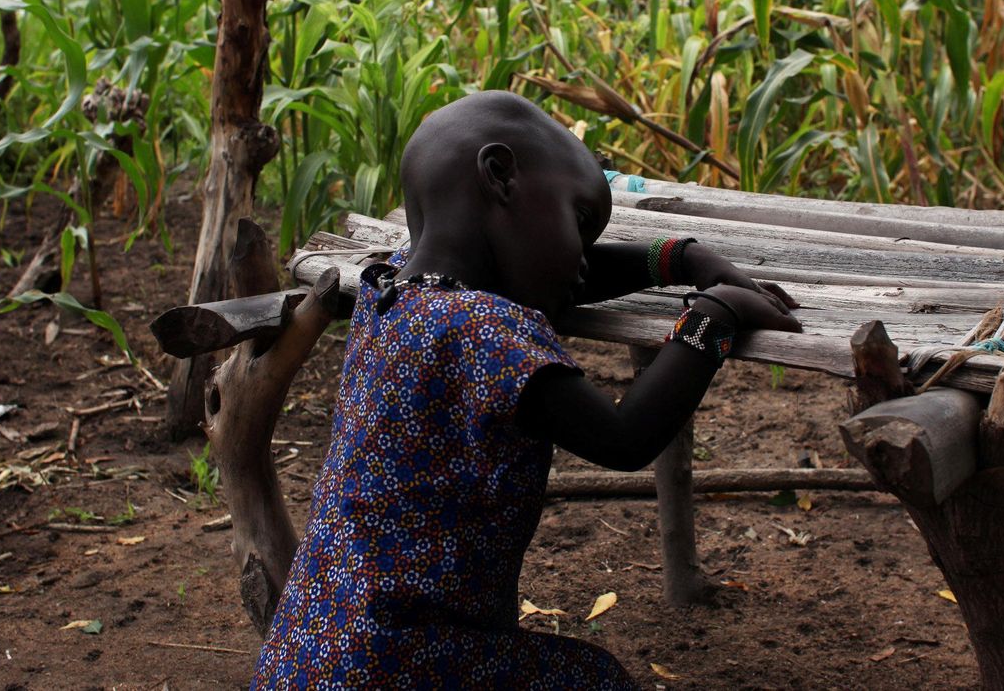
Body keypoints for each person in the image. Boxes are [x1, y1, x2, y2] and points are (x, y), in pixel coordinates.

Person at [254, 91, 802, 689]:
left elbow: (563, 279)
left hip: (315, 646)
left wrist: (679, 259)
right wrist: (713, 316)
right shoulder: (480, 333)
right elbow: (624, 439)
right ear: (501, 178)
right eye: (581, 222)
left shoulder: (390, 289)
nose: (584, 257)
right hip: (401, 661)